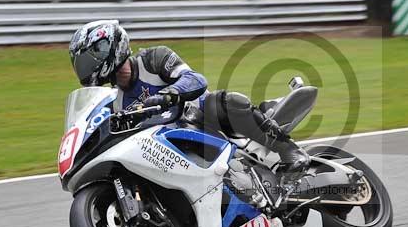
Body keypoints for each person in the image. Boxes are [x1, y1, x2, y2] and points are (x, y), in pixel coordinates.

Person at [68, 20, 309, 172]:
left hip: (203, 121)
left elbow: (196, 80)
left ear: (107, 49)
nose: (86, 66)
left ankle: (288, 149)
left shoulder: (153, 58)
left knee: (219, 102)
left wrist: (170, 94)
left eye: (88, 59)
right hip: (172, 148)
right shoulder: (116, 102)